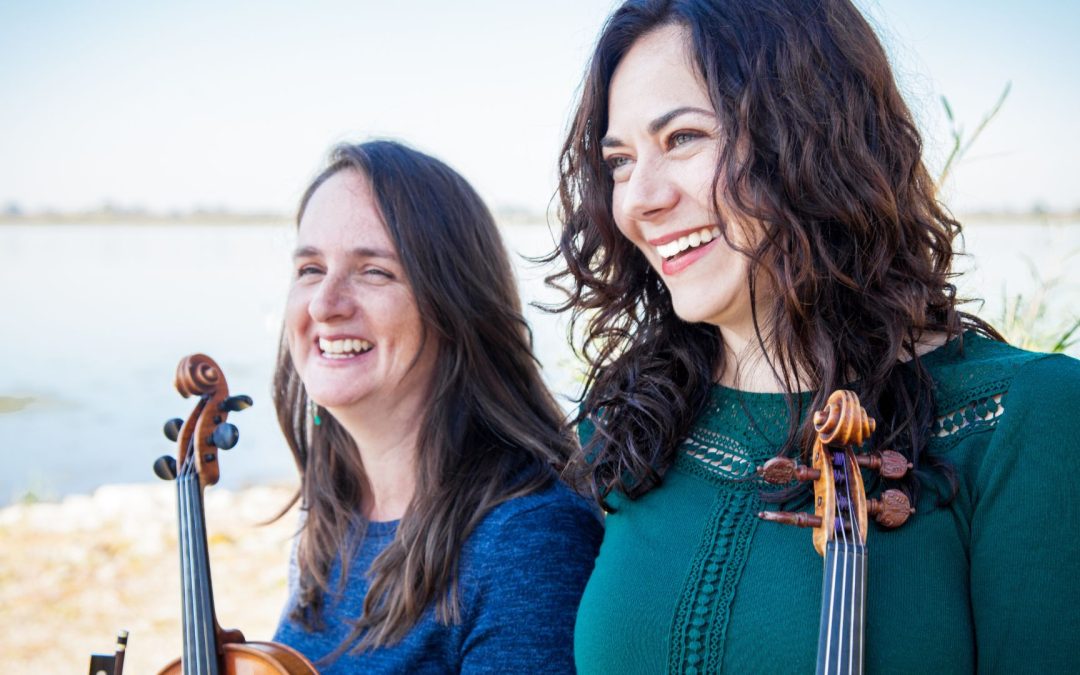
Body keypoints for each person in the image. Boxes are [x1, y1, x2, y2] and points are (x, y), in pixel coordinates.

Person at [548, 0, 1080, 672]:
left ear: (812, 134)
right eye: (620, 160)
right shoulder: (629, 423)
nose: (638, 199)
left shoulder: (1021, 420)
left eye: (682, 138)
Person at [271, 140, 602, 673]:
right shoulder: (335, 510)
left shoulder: (526, 539)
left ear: (454, 305)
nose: (324, 304)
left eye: (374, 271)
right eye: (310, 268)